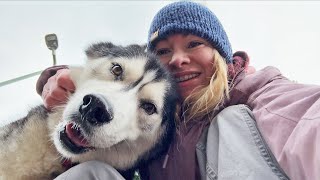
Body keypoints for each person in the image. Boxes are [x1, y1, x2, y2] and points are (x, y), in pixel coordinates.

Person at [35, 1, 319, 180]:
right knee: (93, 172)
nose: (177, 59)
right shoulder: (155, 115)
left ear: (220, 54)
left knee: (229, 122)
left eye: (194, 44)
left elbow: (302, 118)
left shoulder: (253, 91)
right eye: (163, 50)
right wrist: (63, 81)